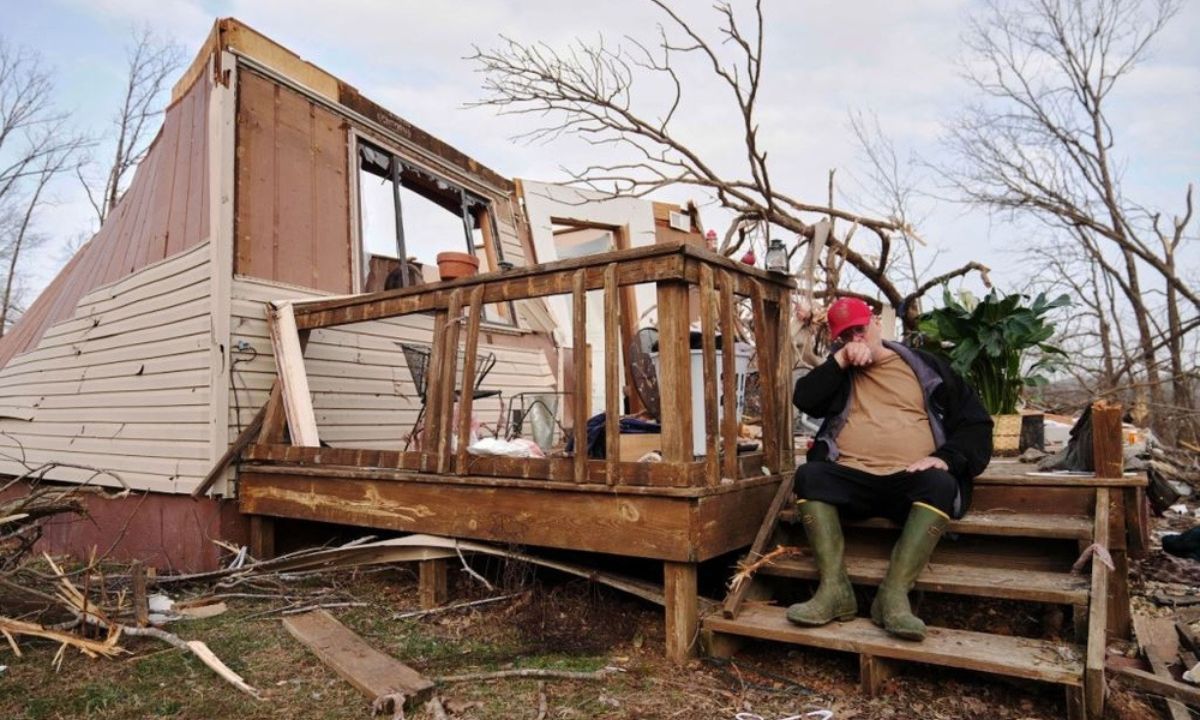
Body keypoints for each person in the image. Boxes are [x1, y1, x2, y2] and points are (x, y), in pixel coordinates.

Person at [787, 297, 993, 641]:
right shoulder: (840, 372)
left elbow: (977, 424)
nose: (856, 338)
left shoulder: (928, 368)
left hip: (908, 480)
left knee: (941, 484)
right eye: (846, 336)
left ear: (877, 324)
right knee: (809, 476)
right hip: (853, 478)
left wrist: (946, 457)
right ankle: (835, 589)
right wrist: (838, 361)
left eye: (860, 329)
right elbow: (805, 399)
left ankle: (894, 596)